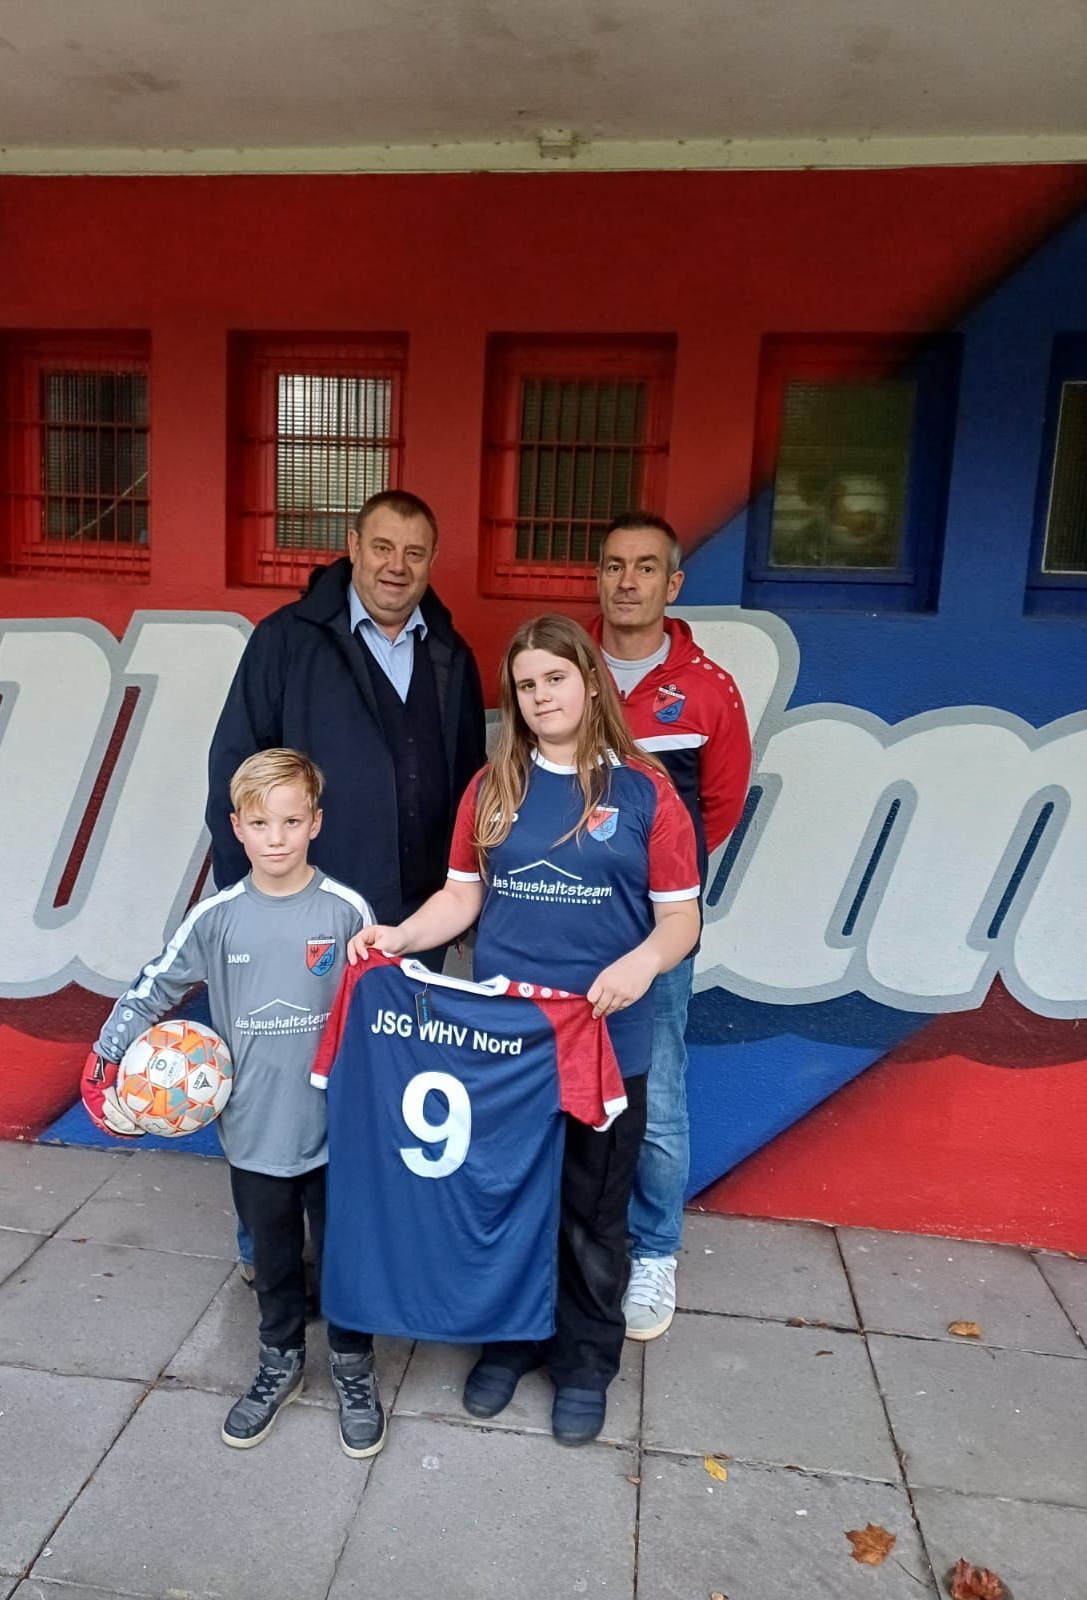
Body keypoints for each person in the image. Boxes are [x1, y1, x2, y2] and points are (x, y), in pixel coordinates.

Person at [348, 614, 701, 1445]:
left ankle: (584, 1362)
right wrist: (399, 936)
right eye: (526, 685)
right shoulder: (493, 787)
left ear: (591, 684)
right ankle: (509, 1343)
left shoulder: (645, 793)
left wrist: (642, 964)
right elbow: (461, 897)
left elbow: (681, 920)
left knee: (592, 1210)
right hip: (506, 1045)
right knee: (507, 1199)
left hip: (607, 1042)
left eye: (556, 678)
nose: (542, 696)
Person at [81, 749, 387, 1459]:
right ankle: (280, 1361)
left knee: (345, 1259)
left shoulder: (346, 911)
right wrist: (104, 1060)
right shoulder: (216, 918)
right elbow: (153, 988)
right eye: (260, 823)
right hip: (252, 1131)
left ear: (316, 822)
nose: (276, 838)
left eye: (291, 821)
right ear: (237, 827)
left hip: (338, 1131)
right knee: (273, 1262)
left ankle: (353, 1367)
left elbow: (380, 1006)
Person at [593, 512, 752, 1340]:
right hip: (564, 922)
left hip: (658, 930)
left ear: (673, 583)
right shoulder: (563, 666)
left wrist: (658, 885)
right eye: (615, 565)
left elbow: (716, 808)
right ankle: (568, 1240)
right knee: (558, 1080)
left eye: (646, 567)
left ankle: (655, 1251)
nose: (628, 581)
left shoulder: (709, 688)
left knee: (655, 1087)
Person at [206, 488, 486, 940]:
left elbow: (473, 782)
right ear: (354, 546)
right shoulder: (285, 641)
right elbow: (234, 771)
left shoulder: (451, 655)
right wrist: (248, 903)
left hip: (421, 921)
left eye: (414, 553)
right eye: (382, 547)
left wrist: (463, 900)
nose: (397, 566)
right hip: (306, 915)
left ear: (432, 559)